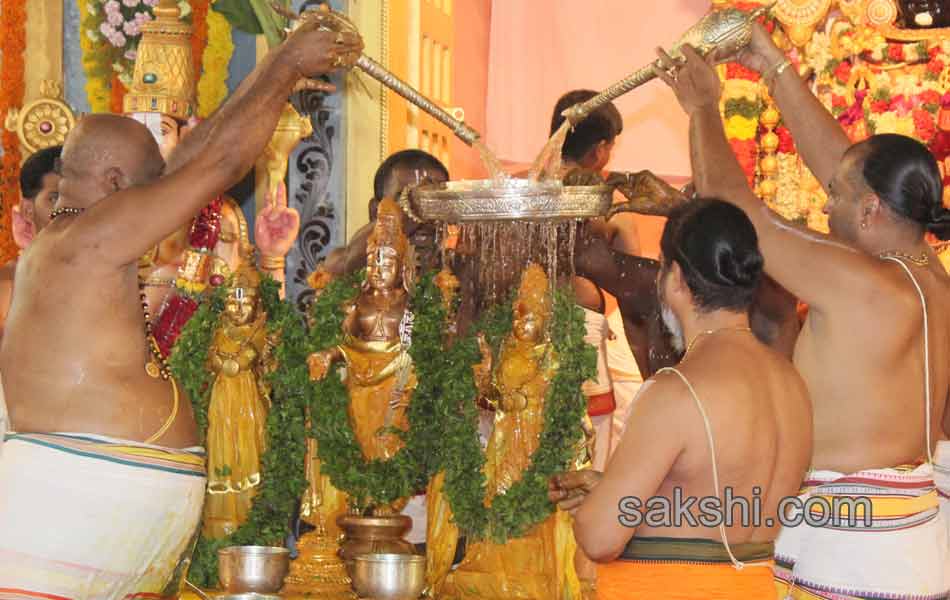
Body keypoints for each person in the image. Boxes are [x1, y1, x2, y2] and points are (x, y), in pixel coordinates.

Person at [0, 17, 362, 597]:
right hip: (72, 507)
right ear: (117, 182)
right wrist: (288, 64)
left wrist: (276, 71)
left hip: (79, 507)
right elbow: (215, 170)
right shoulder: (92, 233)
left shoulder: (80, 231)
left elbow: (197, 160)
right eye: (150, 185)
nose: (162, 195)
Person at [655, 28, 950, 597]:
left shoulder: (866, 283)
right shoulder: (930, 275)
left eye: (835, 195)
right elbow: (851, 169)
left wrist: (701, 107)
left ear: (870, 209)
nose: (823, 200)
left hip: (856, 552)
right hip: (912, 539)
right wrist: (771, 64)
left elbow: (742, 217)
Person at [550, 199, 812, 599]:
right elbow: (724, 505)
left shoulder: (677, 389)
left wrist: (599, 507)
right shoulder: (791, 382)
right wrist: (619, 492)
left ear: (674, 278)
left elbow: (601, 537)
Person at [317, 149, 449, 278]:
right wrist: (408, 211)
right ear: (375, 211)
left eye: (436, 201)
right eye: (405, 199)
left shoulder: (455, 267)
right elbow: (345, 264)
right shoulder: (343, 263)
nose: (423, 216)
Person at [0, 146, 62, 341]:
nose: (69, 208)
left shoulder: (109, 281)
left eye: (79, 198)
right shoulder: (7, 287)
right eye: (55, 198)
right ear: (28, 210)